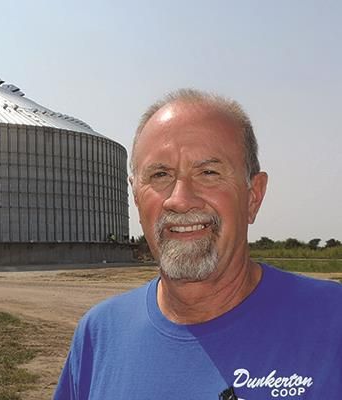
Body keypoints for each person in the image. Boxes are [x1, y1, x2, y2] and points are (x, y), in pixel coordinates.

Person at [54, 89, 342, 399]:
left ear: (253, 196)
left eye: (208, 173)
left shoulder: (332, 322)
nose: (180, 200)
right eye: (160, 174)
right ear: (136, 198)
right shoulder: (98, 335)